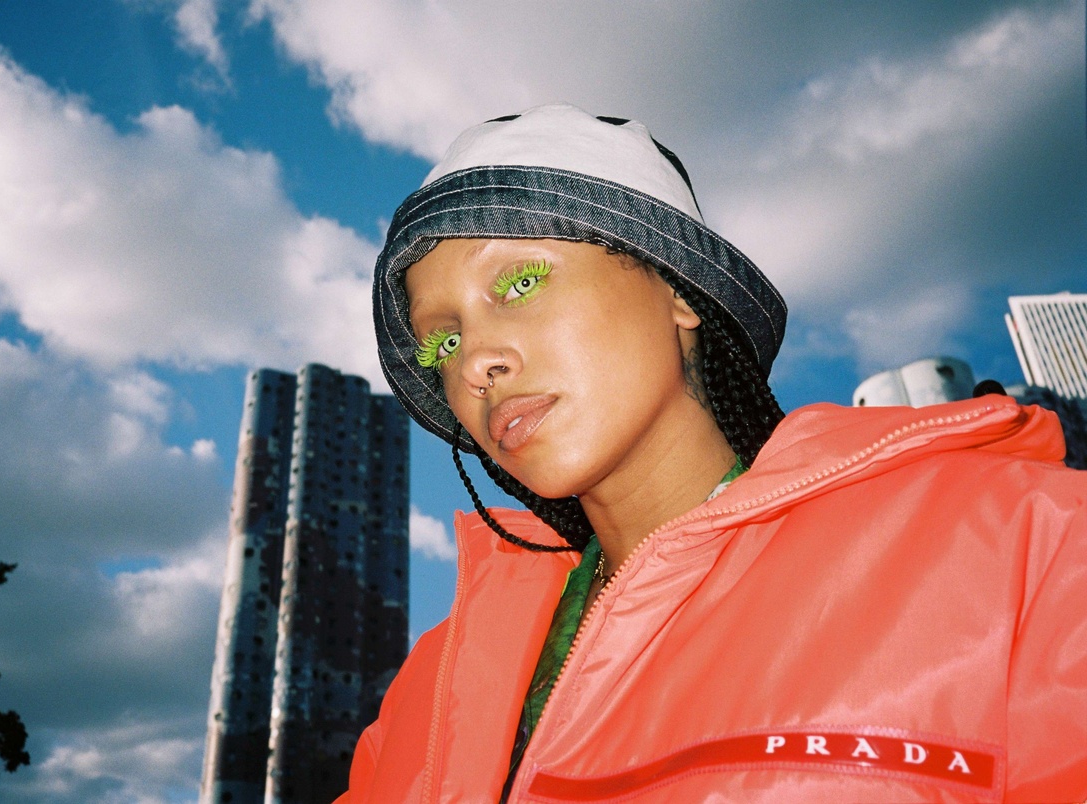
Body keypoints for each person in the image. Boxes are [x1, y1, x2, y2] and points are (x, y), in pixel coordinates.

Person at [340, 103, 1087, 802]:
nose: (473, 363)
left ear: (678, 289)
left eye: (522, 281)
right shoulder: (427, 688)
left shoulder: (1023, 548)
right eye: (442, 338)